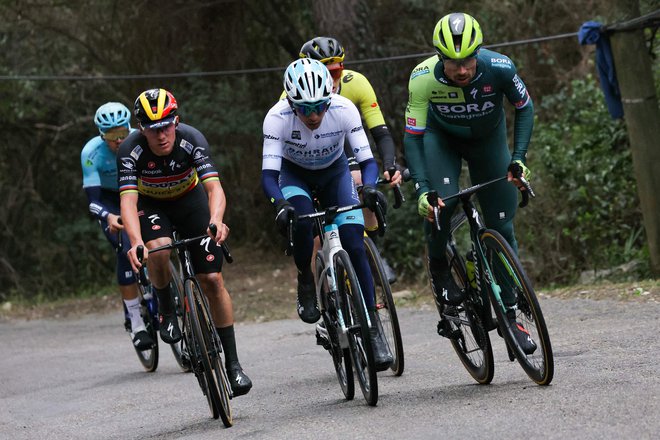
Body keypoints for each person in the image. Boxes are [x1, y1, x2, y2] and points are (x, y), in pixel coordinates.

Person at [403, 12, 537, 354]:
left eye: (467, 61)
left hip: (488, 142)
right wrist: (421, 187)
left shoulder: (500, 67)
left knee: (502, 227)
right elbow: (414, 135)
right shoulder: (421, 79)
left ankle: (510, 316)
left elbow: (525, 107)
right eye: (452, 63)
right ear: (439, 57)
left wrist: (518, 158)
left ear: (479, 52)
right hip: (440, 141)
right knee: (441, 203)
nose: (462, 70)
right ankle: (439, 269)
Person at [117, 88, 252, 395]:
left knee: (213, 279)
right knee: (158, 249)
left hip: (190, 202)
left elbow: (214, 188)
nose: (161, 135)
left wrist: (216, 219)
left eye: (166, 126)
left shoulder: (192, 139)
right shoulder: (130, 150)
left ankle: (233, 365)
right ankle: (165, 306)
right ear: (141, 128)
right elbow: (127, 202)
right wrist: (135, 240)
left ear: (176, 121)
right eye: (152, 129)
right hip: (152, 206)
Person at [262, 58, 393, 370]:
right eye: (304, 109)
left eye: (319, 106)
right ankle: (306, 278)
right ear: (290, 103)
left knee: (355, 243)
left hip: (335, 173)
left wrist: (371, 188)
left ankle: (372, 329)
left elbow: (368, 160)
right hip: (295, 177)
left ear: (329, 99)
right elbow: (269, 175)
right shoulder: (276, 118)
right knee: (303, 225)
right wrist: (280, 204)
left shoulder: (344, 108)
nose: (314, 115)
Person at [297, 37, 402, 283]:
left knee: (362, 184)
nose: (333, 79)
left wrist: (389, 164)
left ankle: (372, 251)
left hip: (347, 142)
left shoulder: (356, 83)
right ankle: (321, 291)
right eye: (326, 72)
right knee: (312, 238)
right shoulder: (293, 91)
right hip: (310, 152)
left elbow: (380, 132)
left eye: (337, 71)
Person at [81, 102, 154, 351]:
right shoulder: (90, 153)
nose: (119, 139)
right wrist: (108, 217)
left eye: (122, 131)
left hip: (138, 192)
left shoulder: (140, 139)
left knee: (156, 241)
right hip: (110, 199)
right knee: (125, 250)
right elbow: (93, 200)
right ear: (102, 134)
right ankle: (135, 322)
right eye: (112, 135)